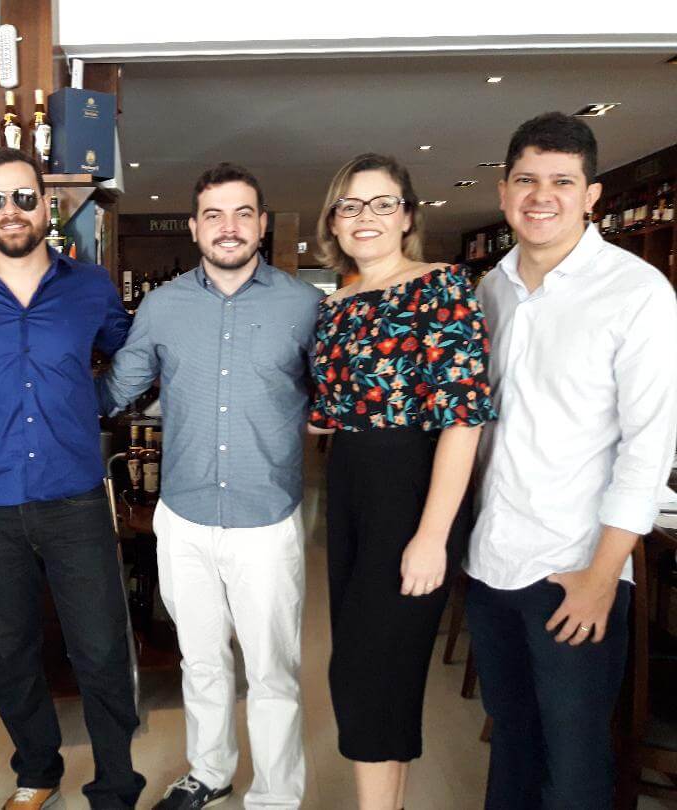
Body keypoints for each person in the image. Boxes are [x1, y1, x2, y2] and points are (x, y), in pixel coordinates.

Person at [466, 112, 677, 810]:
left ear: (591, 195)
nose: (541, 196)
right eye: (526, 179)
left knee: (576, 760)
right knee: (511, 741)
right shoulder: (490, 289)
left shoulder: (637, 293)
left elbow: (648, 448)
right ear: (504, 191)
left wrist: (600, 577)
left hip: (573, 569)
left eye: (562, 181)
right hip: (490, 562)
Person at [0, 147, 143, 810]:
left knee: (101, 651)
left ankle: (115, 785)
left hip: (75, 500)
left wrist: (94, 403)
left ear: (47, 205)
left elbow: (133, 354)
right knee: (13, 653)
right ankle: (37, 770)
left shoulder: (90, 286)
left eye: (23, 197)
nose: (10, 211)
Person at [98, 162, 320, 810]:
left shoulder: (304, 306)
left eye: (243, 213)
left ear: (262, 224)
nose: (229, 227)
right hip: (185, 517)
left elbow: (337, 397)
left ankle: (275, 795)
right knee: (200, 660)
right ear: (195, 227)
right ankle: (211, 771)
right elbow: (119, 387)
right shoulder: (163, 307)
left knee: (272, 670)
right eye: (214, 215)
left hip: (266, 520)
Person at [308, 153, 496, 810]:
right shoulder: (333, 306)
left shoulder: (441, 286)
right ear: (335, 221)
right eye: (351, 205)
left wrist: (432, 536)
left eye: (382, 203)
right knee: (371, 674)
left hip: (411, 492)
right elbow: (328, 413)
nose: (366, 217)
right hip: (350, 490)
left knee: (368, 674)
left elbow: (464, 419)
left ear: (407, 216)